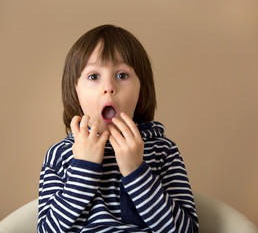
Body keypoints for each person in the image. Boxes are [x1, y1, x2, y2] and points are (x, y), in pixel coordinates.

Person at [38, 24, 199, 233]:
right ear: (75, 91)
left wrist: (136, 171)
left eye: (122, 75)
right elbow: (47, 230)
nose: (109, 87)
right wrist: (83, 168)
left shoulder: (163, 151)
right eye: (94, 77)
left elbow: (187, 231)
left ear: (141, 90)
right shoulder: (59, 156)